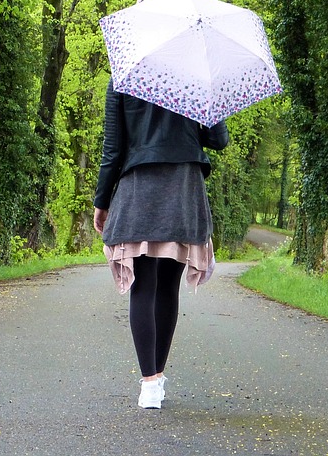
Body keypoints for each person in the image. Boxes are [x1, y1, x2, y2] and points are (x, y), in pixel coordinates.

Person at [93, 79, 229, 409]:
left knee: (144, 284)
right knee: (169, 286)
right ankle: (158, 378)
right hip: (183, 184)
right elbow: (218, 139)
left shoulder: (123, 78)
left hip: (139, 183)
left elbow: (113, 148)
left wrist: (102, 200)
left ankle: (149, 383)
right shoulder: (196, 77)